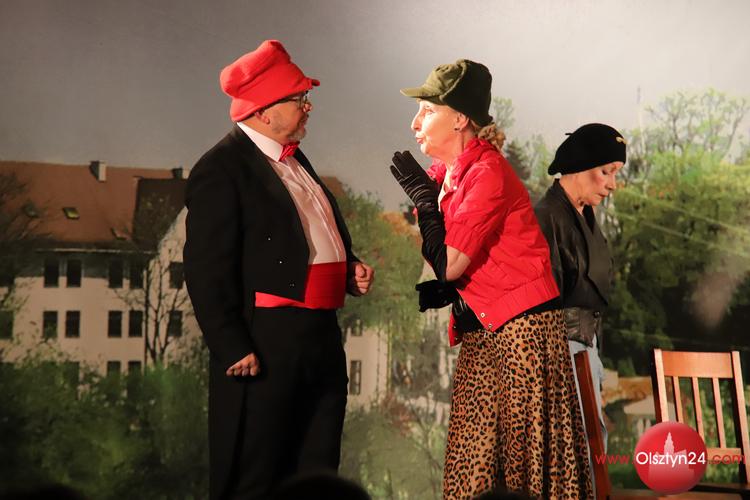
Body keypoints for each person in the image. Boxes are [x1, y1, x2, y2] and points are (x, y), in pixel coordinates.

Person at [390, 59, 592, 499]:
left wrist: (425, 204)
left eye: (427, 110)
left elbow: (451, 264)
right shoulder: (448, 176)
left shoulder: (487, 173)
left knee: (524, 467)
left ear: (459, 118)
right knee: (472, 465)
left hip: (521, 334)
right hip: (483, 331)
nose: (415, 122)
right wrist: (429, 201)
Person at [183, 40, 374, 500]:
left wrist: (348, 267)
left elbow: (306, 232)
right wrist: (231, 345)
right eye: (298, 98)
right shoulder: (221, 168)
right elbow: (205, 267)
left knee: (316, 469)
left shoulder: (295, 159)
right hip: (267, 341)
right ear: (265, 111)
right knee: (258, 474)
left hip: (319, 336)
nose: (308, 106)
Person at [534, 123, 626, 453]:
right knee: (572, 456)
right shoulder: (546, 218)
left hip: (587, 350)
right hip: (558, 358)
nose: (612, 184)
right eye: (606, 172)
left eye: (615, 174)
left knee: (590, 453)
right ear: (579, 165)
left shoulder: (585, 217)